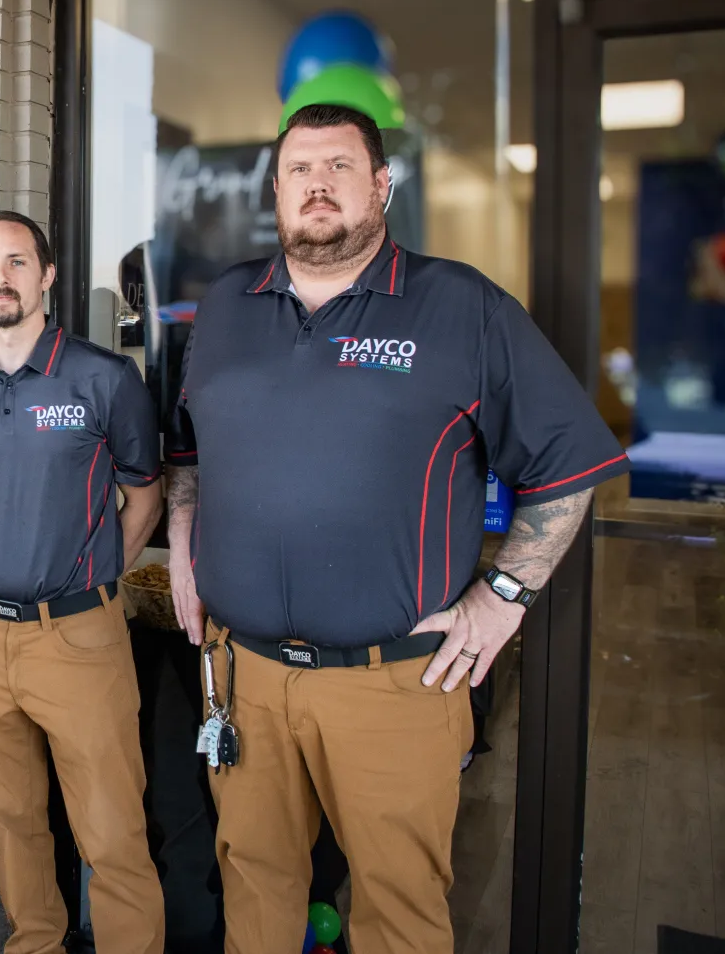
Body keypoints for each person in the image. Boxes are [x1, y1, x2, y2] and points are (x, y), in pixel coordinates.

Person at [164, 102, 630, 954]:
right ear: (274, 191)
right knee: (254, 891)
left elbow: (570, 466)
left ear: (382, 185)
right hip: (245, 681)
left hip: (393, 686)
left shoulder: (462, 307)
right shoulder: (227, 305)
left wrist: (503, 597)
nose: (318, 185)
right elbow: (189, 446)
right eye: (300, 169)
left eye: (340, 166)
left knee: (399, 916)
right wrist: (185, 543)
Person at [0, 211, 167, 954]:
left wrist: (92, 582)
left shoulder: (103, 377)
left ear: (47, 275)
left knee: (112, 830)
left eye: (18, 261)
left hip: (79, 636)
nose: (3, 275)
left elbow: (145, 494)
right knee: (10, 819)